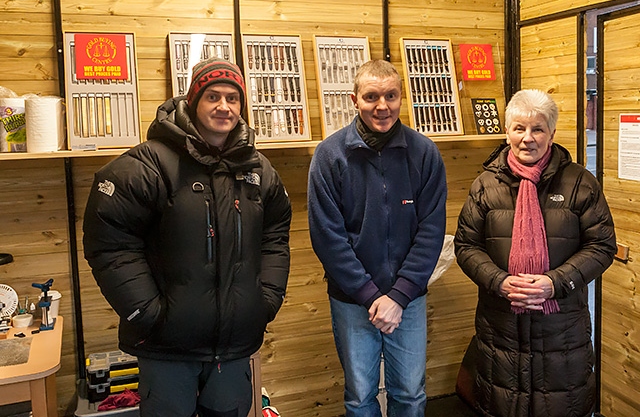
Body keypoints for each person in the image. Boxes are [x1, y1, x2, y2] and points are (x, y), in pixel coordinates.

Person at [83, 58, 292, 417]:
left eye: (233, 98)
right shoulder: (148, 165)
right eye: (213, 97)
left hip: (234, 347)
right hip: (167, 348)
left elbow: (275, 237)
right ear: (193, 101)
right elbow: (110, 241)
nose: (224, 107)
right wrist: (147, 313)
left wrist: (266, 299)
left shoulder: (258, 170)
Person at [454, 89, 617, 416]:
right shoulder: (485, 185)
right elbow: (466, 246)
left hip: (562, 333)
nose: (527, 138)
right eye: (519, 128)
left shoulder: (579, 184)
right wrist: (499, 281)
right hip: (500, 330)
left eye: (538, 129)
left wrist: (554, 283)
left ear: (552, 133)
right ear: (507, 131)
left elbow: (602, 245)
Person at [308, 59, 447, 416]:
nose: (381, 106)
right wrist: (371, 295)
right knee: (359, 396)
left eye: (390, 95)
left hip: (409, 301)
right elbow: (328, 237)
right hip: (353, 302)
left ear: (402, 98)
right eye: (371, 96)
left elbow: (431, 230)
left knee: (411, 394)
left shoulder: (425, 154)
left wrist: (399, 296)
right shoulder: (330, 156)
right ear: (355, 100)